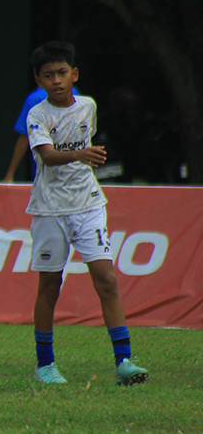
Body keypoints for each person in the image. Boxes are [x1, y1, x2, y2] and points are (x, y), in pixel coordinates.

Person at [24, 41, 148, 386]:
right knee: (50, 284)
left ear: (74, 74)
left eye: (62, 73)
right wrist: (81, 154)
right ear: (39, 81)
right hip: (50, 209)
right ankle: (45, 364)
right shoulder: (38, 114)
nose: (57, 81)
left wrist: (82, 157)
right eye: (48, 76)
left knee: (106, 279)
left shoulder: (88, 106)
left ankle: (124, 361)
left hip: (89, 204)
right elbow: (47, 156)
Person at [2, 84, 80, 183]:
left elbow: (24, 138)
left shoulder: (34, 98)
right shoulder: (74, 91)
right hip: (65, 170)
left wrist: (10, 174)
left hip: (57, 172)